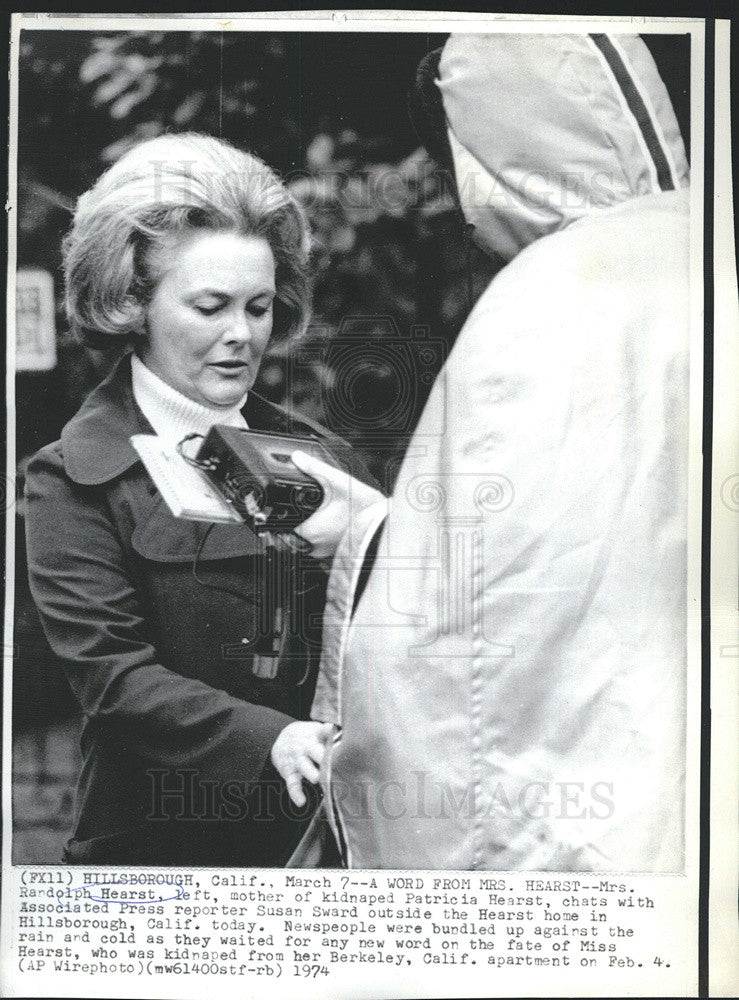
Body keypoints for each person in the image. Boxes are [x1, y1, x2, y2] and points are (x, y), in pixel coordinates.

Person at [294, 33, 690, 870]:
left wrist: (365, 537)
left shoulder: (548, 292)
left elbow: (462, 622)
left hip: (589, 833)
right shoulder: (705, 247)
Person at [24, 132, 382, 866]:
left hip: (319, 853)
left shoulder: (324, 460)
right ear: (132, 304)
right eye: (211, 306)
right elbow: (111, 678)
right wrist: (271, 738)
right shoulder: (71, 477)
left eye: (257, 307)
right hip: (154, 857)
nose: (240, 336)